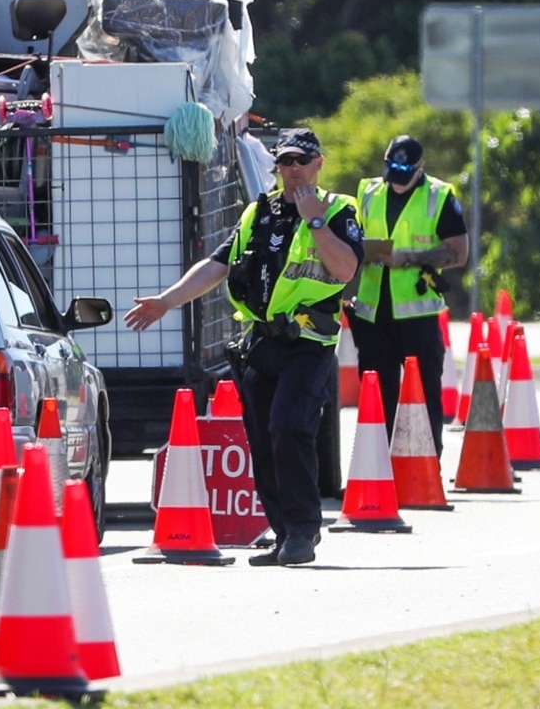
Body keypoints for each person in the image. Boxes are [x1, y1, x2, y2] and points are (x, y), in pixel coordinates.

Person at [125, 128, 363, 566]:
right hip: (260, 342)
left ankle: (304, 531)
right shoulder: (259, 212)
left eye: (301, 162)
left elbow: (346, 269)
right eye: (285, 162)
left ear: (318, 163)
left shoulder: (337, 210)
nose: (293, 171)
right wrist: (166, 300)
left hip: (308, 341)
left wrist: (314, 220)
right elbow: (217, 264)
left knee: (290, 427)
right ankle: (284, 533)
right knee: (264, 440)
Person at [349, 135, 469, 458]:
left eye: (405, 173)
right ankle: (374, 471)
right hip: (373, 314)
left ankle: (426, 469)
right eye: (392, 172)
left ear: (421, 168)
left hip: (417, 317)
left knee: (424, 396)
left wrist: (409, 257)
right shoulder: (368, 191)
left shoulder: (439, 196)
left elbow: (458, 253)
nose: (397, 182)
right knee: (376, 397)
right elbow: (351, 236)